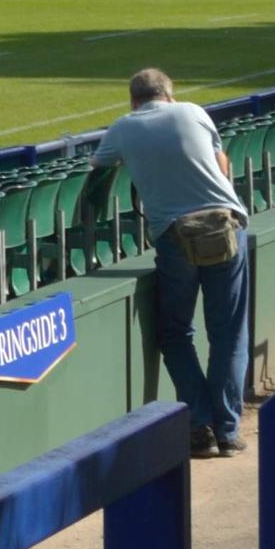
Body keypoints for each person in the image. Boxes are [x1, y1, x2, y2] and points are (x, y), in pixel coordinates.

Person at [99, 67, 251, 457]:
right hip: (225, 225)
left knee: (176, 333)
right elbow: (223, 164)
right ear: (170, 94)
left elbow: (97, 173)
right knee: (229, 334)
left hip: (174, 235)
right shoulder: (193, 111)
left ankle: (199, 425)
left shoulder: (122, 126)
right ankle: (229, 432)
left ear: (134, 100)